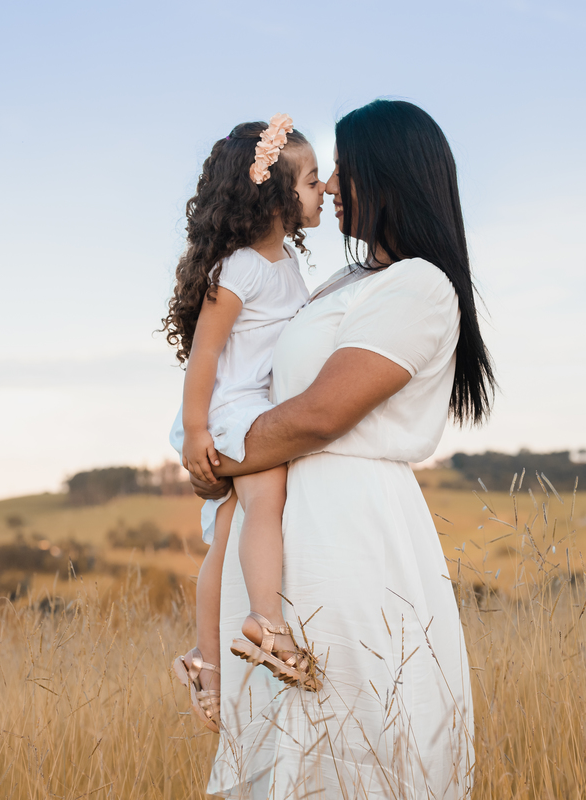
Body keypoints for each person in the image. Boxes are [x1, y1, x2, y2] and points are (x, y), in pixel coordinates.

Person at [193, 99, 494, 798]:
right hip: (286, 524)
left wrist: (218, 458)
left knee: (351, 743)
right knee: (282, 754)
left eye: (342, 171)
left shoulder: (419, 285)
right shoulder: (343, 283)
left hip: (348, 531)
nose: (328, 186)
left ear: (386, 177)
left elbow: (322, 414)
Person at [161, 114, 326, 734]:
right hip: (233, 411)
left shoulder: (284, 263)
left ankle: (205, 661)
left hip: (252, 406)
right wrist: (195, 432)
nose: (323, 190)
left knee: (227, 536)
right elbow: (205, 356)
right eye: (312, 180)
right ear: (277, 195)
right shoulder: (239, 268)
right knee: (267, 497)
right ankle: (267, 623)